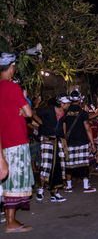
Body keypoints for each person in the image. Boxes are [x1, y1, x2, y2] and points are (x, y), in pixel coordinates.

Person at [0, 52, 34, 233]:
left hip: (3, 141)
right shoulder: (13, 87)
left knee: (6, 181)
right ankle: (10, 222)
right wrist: (23, 106)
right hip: (16, 140)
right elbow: (29, 113)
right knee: (14, 181)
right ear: (11, 68)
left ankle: (9, 220)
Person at [33, 94, 71, 202]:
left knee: (59, 165)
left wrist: (64, 138)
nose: (69, 105)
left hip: (58, 140)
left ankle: (55, 192)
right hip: (47, 139)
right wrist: (41, 123)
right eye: (67, 103)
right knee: (46, 164)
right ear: (62, 104)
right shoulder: (49, 110)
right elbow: (33, 112)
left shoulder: (64, 113)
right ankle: (41, 188)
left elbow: (62, 124)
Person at [63, 90, 96, 193]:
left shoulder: (65, 112)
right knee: (84, 164)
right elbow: (87, 129)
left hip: (69, 142)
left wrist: (64, 141)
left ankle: (69, 186)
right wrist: (92, 143)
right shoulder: (83, 112)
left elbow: (63, 128)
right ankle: (86, 187)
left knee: (69, 164)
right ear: (80, 100)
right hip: (82, 141)